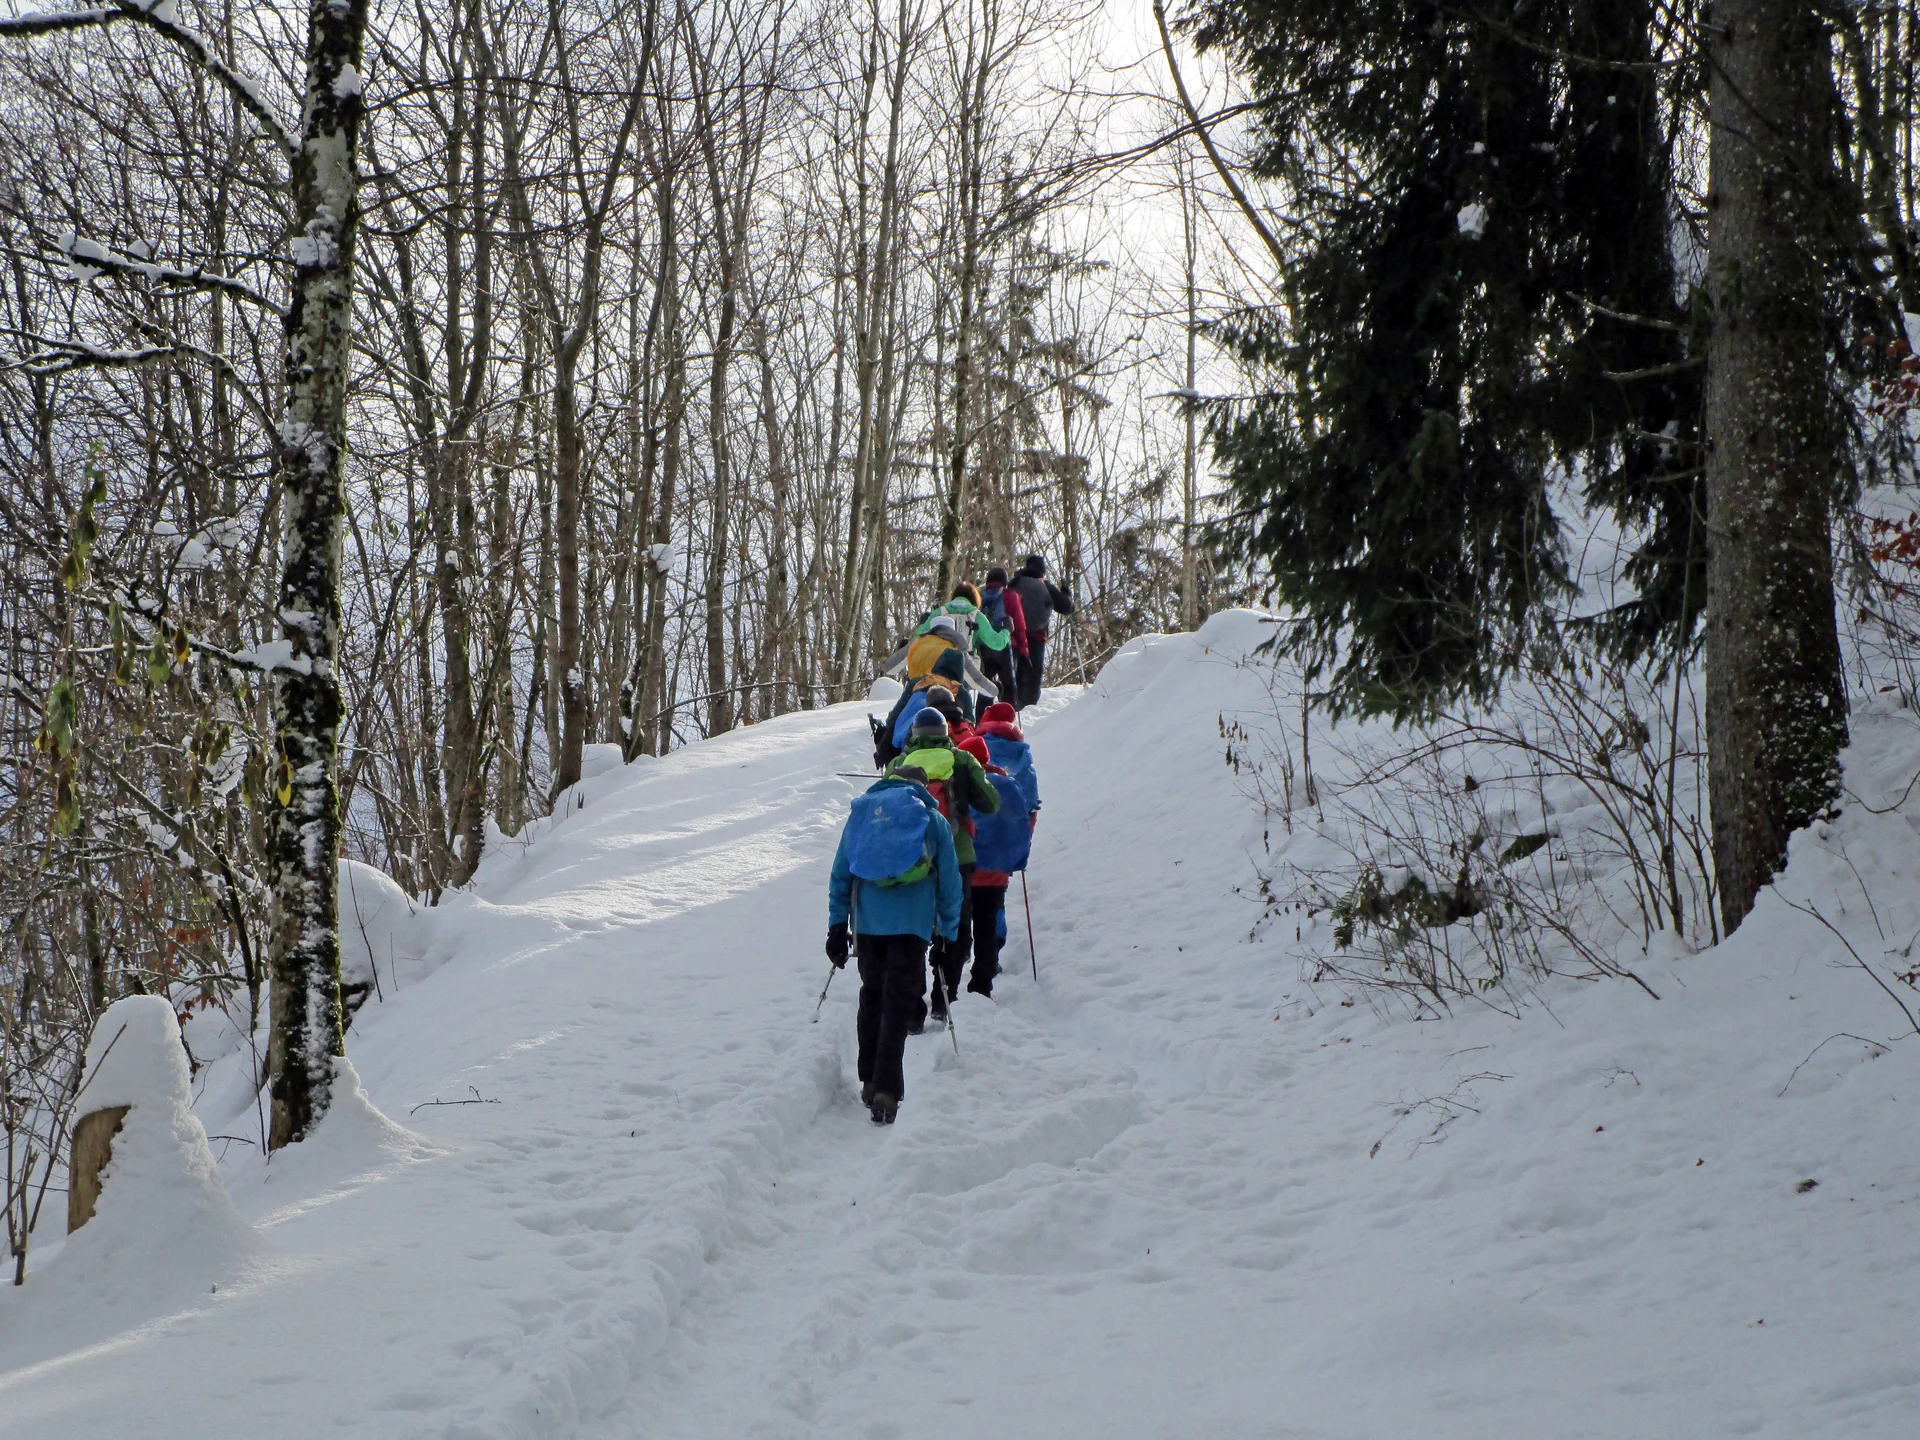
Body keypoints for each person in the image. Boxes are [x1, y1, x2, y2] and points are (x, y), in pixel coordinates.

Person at [827, 736, 963, 1125]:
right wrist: (946, 936)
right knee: (897, 1001)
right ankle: (886, 1087)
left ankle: (868, 1078)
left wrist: (837, 925)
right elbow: (949, 882)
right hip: (913, 926)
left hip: (868, 925)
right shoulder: (931, 818)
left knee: (871, 995)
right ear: (921, 787)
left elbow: (841, 873)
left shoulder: (862, 816)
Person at [883, 705, 999, 1024]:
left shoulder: (898, 764)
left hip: (912, 858)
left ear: (914, 735)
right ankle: (942, 999)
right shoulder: (961, 759)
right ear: (945, 735)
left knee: (916, 927)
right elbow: (990, 803)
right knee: (955, 927)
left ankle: (913, 1006)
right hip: (957, 855)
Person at [968, 701, 1040, 993]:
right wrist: (1021, 839)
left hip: (972, 841)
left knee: (969, 898)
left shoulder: (976, 747)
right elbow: (1031, 804)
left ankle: (962, 951)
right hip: (1004, 837)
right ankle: (993, 950)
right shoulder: (1023, 755)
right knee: (995, 900)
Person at [1009, 555, 1073, 708]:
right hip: (1036, 636)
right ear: (1042, 571)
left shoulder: (1015, 583)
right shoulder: (1045, 586)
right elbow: (1066, 607)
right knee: (1034, 672)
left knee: (1016, 670)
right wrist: (1066, 594)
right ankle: (1029, 705)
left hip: (1015, 635)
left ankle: (1013, 702)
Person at [975, 567, 1026, 706]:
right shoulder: (1010, 595)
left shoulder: (979, 596)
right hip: (1006, 645)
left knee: (985, 684)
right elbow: (1019, 624)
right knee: (1008, 685)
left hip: (985, 646)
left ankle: (981, 720)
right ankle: (1007, 717)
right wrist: (1023, 648)